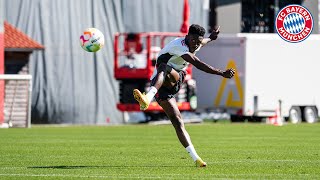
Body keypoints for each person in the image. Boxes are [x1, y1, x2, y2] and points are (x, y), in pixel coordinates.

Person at [133, 24, 235, 167]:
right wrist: (221, 73)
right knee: (178, 122)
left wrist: (211, 38)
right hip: (161, 87)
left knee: (164, 67)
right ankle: (196, 159)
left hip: (174, 79)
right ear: (187, 37)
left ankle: (148, 97)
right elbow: (197, 63)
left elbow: (203, 42)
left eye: (198, 41)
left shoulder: (196, 43)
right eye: (193, 40)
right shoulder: (178, 45)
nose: (195, 44)